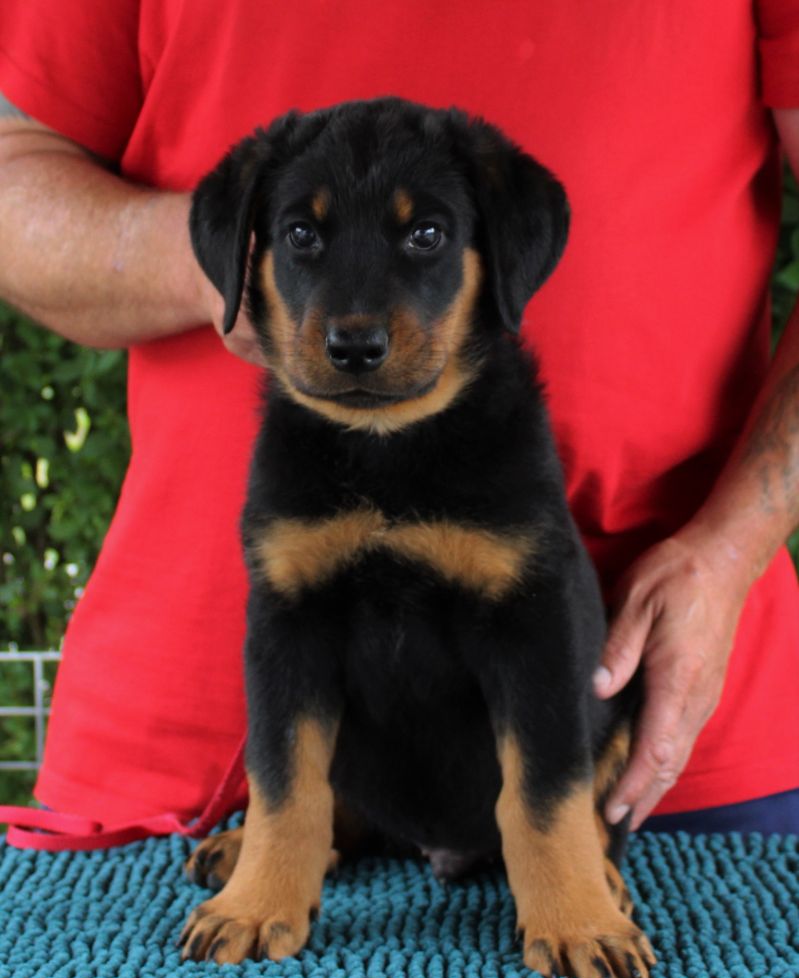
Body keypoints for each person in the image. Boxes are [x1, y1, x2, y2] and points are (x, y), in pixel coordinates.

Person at [1, 1, 798, 844]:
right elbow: (15, 177)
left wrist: (730, 550)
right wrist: (229, 262)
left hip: (643, 737)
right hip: (199, 754)